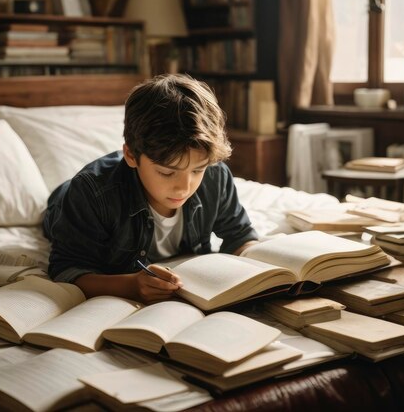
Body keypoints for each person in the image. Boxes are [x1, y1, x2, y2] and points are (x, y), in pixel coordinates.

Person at [43, 74, 258, 303]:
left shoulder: (216, 175)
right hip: (66, 201)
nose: (184, 188)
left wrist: (263, 267)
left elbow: (241, 236)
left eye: (197, 170)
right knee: (64, 201)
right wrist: (131, 286)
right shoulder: (89, 193)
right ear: (131, 155)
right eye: (167, 172)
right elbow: (66, 270)